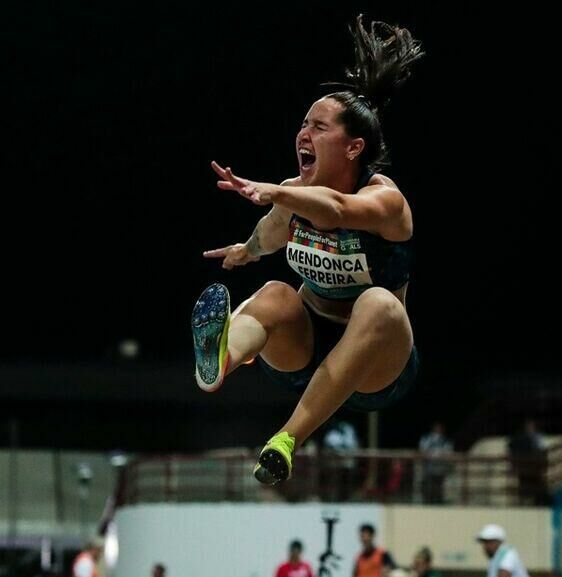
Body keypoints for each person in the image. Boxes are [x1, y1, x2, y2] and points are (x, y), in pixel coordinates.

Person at [191, 15, 424, 484]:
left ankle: (286, 439)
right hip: (306, 347)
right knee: (277, 291)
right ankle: (219, 362)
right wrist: (245, 250)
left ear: (354, 148)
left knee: (378, 304)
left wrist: (276, 192)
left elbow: (338, 208)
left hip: (376, 366)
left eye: (318, 127)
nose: (303, 134)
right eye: (303, 125)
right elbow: (268, 237)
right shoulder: (292, 196)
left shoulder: (386, 201)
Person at [418, 422, 453, 503]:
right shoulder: (426, 439)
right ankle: (427, 501)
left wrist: (439, 454)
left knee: (438, 487)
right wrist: (432, 454)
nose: (438, 430)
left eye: (440, 429)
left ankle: (438, 501)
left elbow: (448, 452)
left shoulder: (445, 441)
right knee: (428, 486)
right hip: (428, 468)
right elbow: (423, 450)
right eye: (436, 428)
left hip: (440, 469)